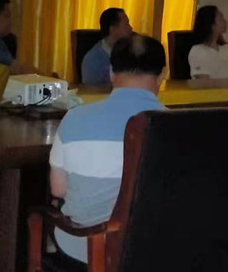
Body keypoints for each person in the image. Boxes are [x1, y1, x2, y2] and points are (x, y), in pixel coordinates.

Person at [48, 34, 167, 264]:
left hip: (89, 250)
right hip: (156, 252)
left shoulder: (75, 118)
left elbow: (58, 189)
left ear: (111, 72)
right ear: (162, 75)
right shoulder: (182, 126)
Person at [80, 7, 133, 85]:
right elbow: (91, 91)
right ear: (113, 29)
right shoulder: (93, 61)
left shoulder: (131, 52)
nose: (131, 28)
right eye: (126, 24)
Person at [188, 5, 228, 79]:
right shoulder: (198, 51)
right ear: (212, 24)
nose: (225, 21)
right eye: (221, 18)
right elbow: (203, 81)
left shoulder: (224, 49)